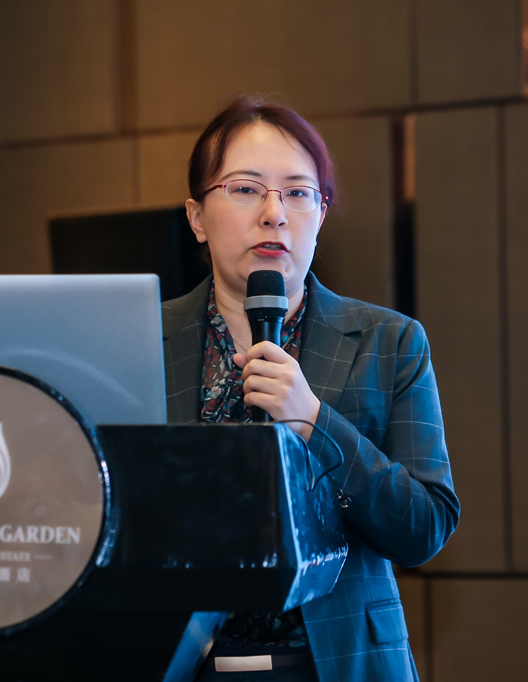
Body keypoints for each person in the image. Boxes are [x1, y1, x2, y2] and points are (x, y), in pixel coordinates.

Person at [161, 96, 460, 681]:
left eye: (298, 193)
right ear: (196, 216)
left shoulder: (389, 341)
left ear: (321, 214)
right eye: (246, 189)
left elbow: (425, 528)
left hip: (341, 665)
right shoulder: (144, 338)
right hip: (184, 665)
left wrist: (314, 423)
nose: (274, 213)